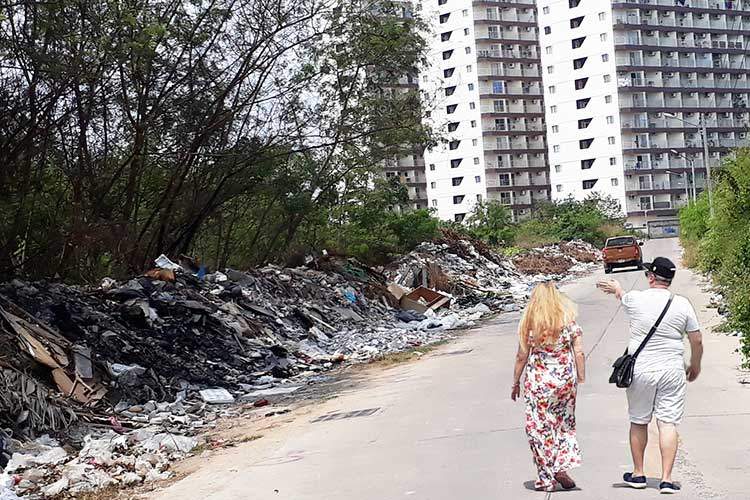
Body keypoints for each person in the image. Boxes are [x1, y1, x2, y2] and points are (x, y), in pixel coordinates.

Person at [598, 257, 703, 495]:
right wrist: (695, 365)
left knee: (638, 420)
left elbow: (622, 296)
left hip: (642, 371)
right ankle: (666, 479)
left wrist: (616, 288)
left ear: (652, 277)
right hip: (672, 370)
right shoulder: (682, 304)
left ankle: (638, 474)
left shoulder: (635, 299)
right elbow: (696, 339)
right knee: (667, 423)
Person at [511, 282, 586, 492]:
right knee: (563, 423)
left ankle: (546, 478)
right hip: (565, 382)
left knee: (538, 428)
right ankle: (561, 466)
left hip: (539, 383)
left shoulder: (529, 323)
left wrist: (515, 382)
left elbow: (521, 356)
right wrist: (580, 376)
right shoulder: (567, 319)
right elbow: (578, 351)